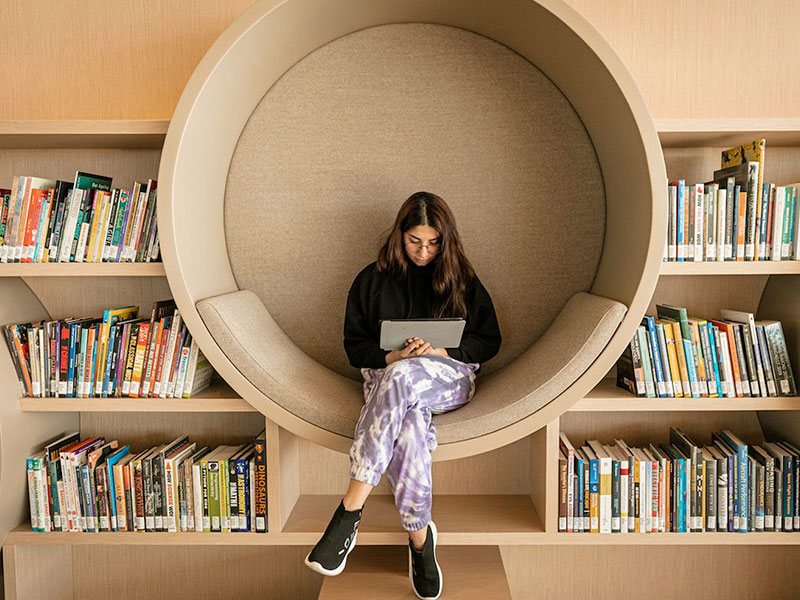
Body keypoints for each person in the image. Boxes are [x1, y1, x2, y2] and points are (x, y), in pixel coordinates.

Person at [304, 191, 502, 599]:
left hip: (447, 377)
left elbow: (490, 340)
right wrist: (392, 354)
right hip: (387, 377)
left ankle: (349, 512)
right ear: (400, 235)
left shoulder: (463, 278)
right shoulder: (370, 279)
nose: (424, 251)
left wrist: (443, 351)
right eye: (415, 241)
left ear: (445, 241)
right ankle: (419, 541)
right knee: (408, 427)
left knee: (402, 377)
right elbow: (353, 346)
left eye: (433, 243)